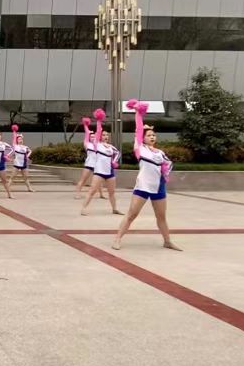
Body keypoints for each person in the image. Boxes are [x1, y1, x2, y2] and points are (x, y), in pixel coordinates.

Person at [112, 100, 182, 252]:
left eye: (153, 135)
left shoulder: (160, 153)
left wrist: (165, 174)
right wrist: (138, 113)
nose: (152, 137)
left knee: (161, 217)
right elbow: (138, 129)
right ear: (142, 138)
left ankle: (167, 241)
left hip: (159, 187)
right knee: (131, 215)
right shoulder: (140, 149)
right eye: (149, 135)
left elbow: (168, 164)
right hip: (143, 186)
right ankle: (117, 239)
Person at [80, 110, 123, 216]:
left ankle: (114, 209)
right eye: (103, 135)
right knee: (92, 191)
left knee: (112, 193)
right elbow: (98, 130)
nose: (105, 136)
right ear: (100, 136)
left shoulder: (111, 147)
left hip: (110, 172)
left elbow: (118, 153)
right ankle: (83, 209)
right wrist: (99, 121)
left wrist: (114, 162)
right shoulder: (97, 144)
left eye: (107, 135)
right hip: (99, 172)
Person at [74, 119, 105, 200]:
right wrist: (85, 125)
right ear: (89, 138)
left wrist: (99, 121)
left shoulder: (98, 143)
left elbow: (99, 131)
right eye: (91, 137)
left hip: (97, 165)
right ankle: (77, 194)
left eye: (94, 136)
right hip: (89, 164)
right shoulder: (87, 144)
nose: (93, 137)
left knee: (99, 181)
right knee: (83, 180)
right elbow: (86, 133)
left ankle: (101, 194)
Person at [8, 127, 35, 192]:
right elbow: (14, 138)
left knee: (26, 177)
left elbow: (30, 151)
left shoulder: (25, 147)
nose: (20, 140)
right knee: (12, 177)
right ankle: (8, 188)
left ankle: (29, 188)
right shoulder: (15, 146)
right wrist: (14, 131)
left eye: (21, 139)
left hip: (24, 164)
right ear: (17, 140)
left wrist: (27, 156)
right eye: (19, 139)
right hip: (17, 163)